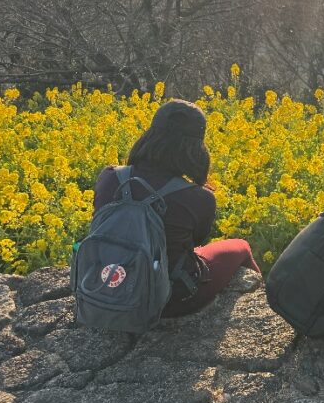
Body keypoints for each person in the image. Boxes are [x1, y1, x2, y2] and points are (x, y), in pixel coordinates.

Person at [91, 99, 259, 317]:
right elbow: (197, 242)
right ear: (196, 149)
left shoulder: (110, 176)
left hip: (105, 287)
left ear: (150, 135)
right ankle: (262, 309)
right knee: (241, 246)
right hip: (170, 301)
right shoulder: (199, 197)